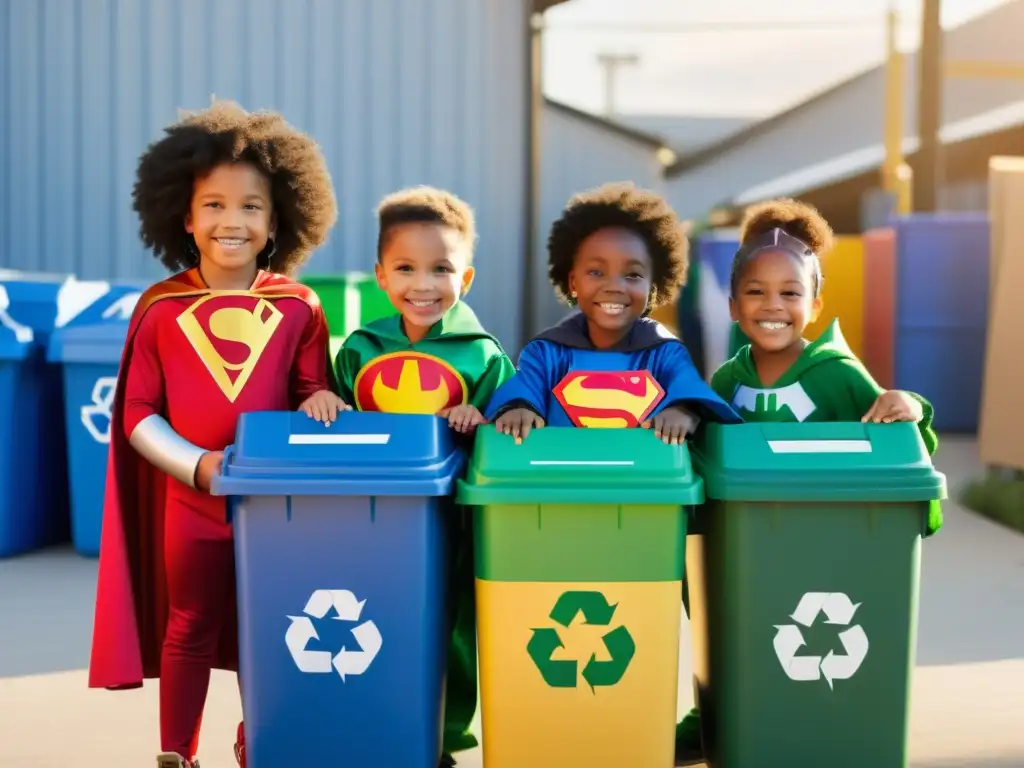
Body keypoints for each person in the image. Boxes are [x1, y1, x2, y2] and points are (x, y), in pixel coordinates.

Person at [87, 100, 340, 768]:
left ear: (278, 219)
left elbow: (309, 387)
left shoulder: (299, 306)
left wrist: (319, 397)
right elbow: (137, 411)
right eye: (215, 205)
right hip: (191, 501)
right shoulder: (161, 306)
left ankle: (258, 743)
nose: (233, 221)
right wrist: (196, 464)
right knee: (188, 625)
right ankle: (177, 751)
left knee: (273, 627)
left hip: (273, 505)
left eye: (252, 206)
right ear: (185, 215)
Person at [673, 198, 941, 765]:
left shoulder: (836, 373)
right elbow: (703, 449)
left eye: (790, 293)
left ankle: (834, 717)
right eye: (756, 292)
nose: (773, 306)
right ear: (732, 303)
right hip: (747, 541)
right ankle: (717, 715)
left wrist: (909, 404)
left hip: (826, 540)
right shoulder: (728, 377)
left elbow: (898, 438)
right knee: (732, 631)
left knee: (815, 626)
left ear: (815, 303)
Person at [327, 186, 515, 767]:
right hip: (373, 514)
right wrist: (325, 406)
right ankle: (374, 718)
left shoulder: (482, 355)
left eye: (441, 269)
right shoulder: (360, 348)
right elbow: (337, 417)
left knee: (453, 625)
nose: (424, 284)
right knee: (375, 613)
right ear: (381, 276)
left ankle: (444, 736)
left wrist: (479, 418)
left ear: (467, 277)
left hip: (451, 518)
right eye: (406, 268)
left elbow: (510, 422)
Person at [485, 182, 741, 441]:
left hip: (642, 477)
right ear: (573, 282)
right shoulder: (547, 353)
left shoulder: (664, 353)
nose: (614, 287)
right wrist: (518, 408)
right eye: (596, 272)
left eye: (632, 275)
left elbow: (688, 389)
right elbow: (524, 388)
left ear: (652, 287)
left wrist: (682, 410)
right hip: (564, 475)